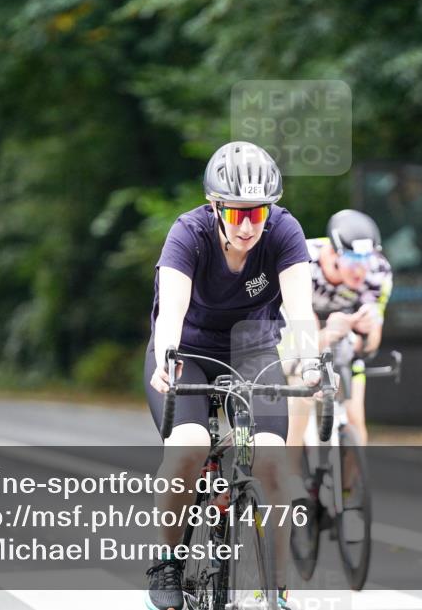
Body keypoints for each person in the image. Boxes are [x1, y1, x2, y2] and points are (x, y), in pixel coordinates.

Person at [144, 141, 319, 610]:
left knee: (273, 459)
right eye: (236, 214)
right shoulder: (189, 233)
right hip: (190, 351)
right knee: (189, 445)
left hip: (252, 349)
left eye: (257, 215)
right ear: (215, 207)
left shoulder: (284, 232)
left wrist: (310, 359)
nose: (247, 226)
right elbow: (171, 313)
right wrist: (166, 356)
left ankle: (276, 587)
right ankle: (167, 561)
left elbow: (301, 309)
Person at [285, 209, 393, 449]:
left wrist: (364, 333)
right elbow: (291, 338)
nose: (362, 270)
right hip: (299, 327)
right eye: (354, 261)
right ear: (332, 253)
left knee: (355, 418)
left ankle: (353, 485)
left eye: (368, 260)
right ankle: (289, 471)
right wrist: (328, 334)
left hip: (344, 333)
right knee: (300, 401)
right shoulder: (300, 260)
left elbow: (371, 345)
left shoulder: (379, 272)